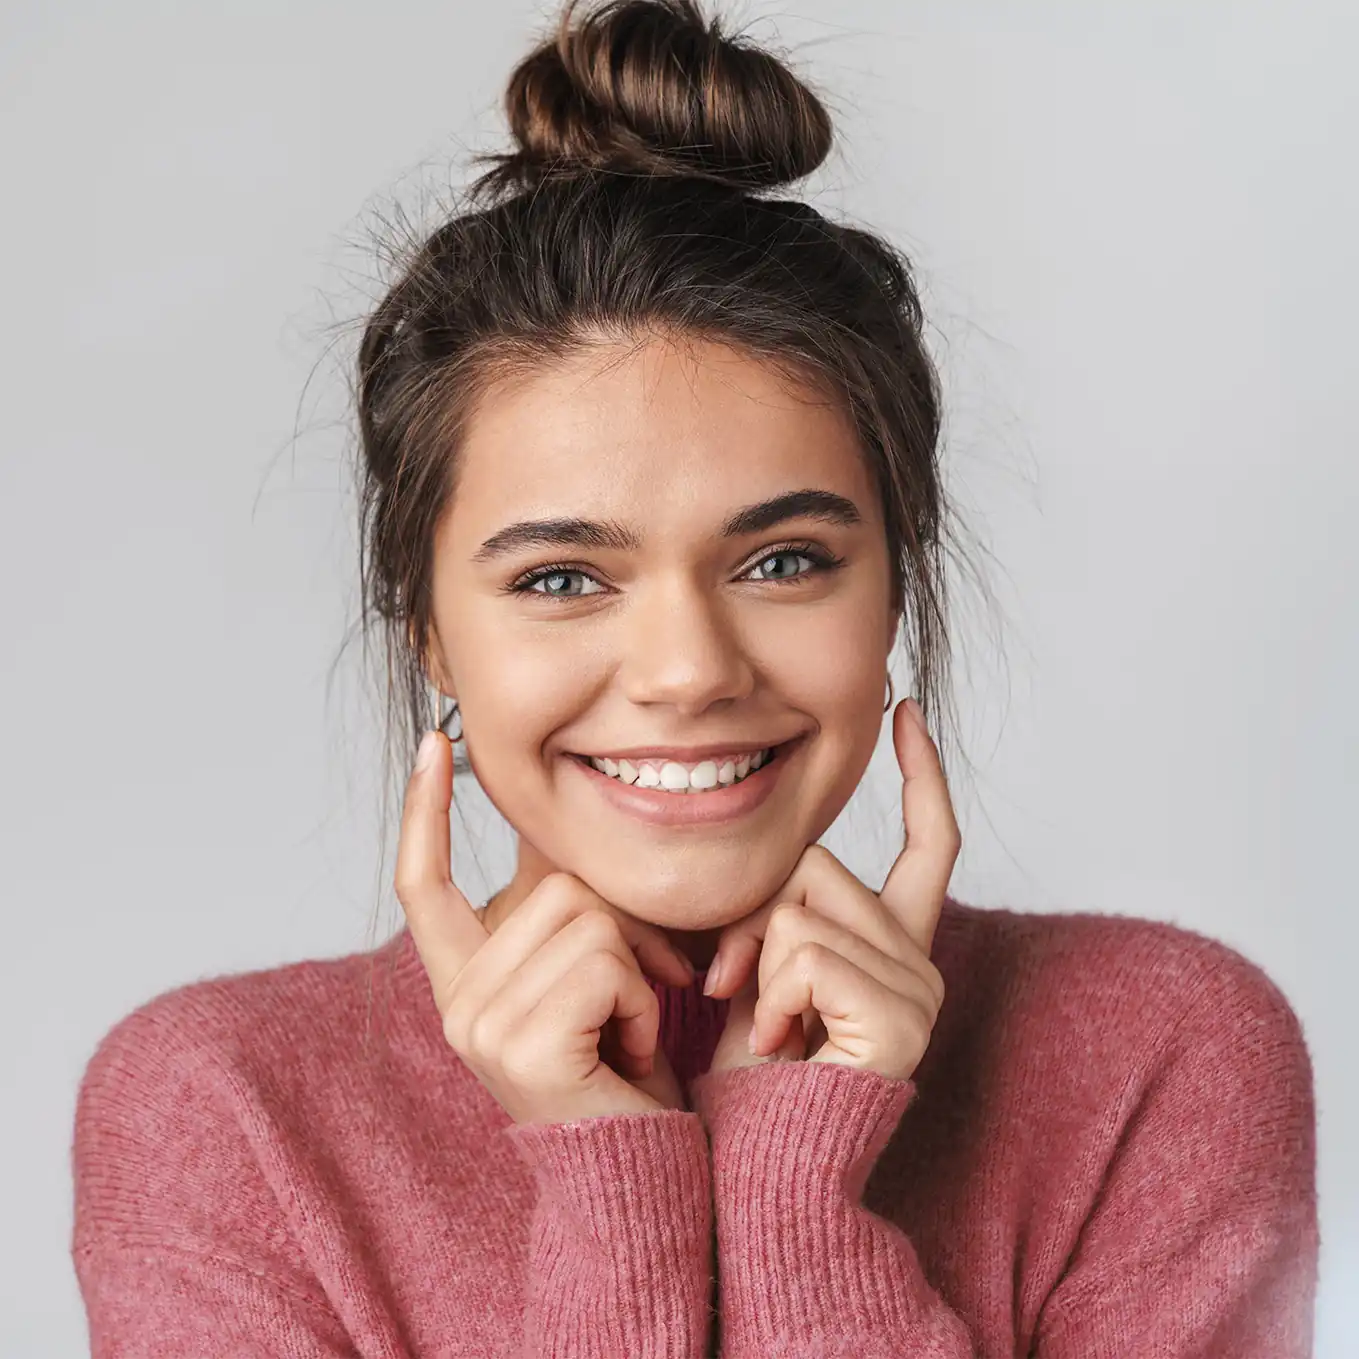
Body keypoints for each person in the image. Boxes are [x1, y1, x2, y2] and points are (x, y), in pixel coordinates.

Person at [70, 1, 1318, 1354]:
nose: (684, 672)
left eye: (781, 561)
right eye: (559, 578)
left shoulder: (1159, 1054)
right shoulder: (223, 1111)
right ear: (422, 623)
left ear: (891, 583)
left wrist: (799, 1181)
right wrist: (609, 1185)